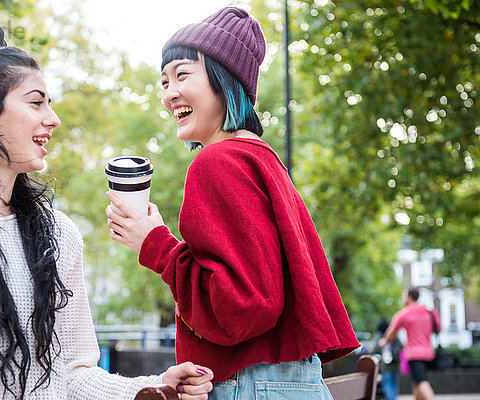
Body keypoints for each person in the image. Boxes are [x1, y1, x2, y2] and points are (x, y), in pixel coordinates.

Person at [0, 21, 214, 399]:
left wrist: (148, 389)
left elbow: (72, 371)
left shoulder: (58, 232)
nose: (53, 119)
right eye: (37, 102)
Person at [105, 7, 360, 399]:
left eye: (182, 74)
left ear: (225, 81)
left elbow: (244, 307)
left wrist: (154, 244)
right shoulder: (261, 158)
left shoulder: (217, 162)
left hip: (255, 385)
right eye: (164, 80)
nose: (169, 92)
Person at [380, 287, 440, 400]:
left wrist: (384, 342)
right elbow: (438, 329)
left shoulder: (404, 313)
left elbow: (390, 334)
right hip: (429, 353)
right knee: (417, 383)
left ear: (409, 297)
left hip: (414, 354)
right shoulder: (430, 312)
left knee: (422, 382)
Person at [374, 318, 402, 400]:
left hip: (386, 365)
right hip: (396, 363)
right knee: (394, 384)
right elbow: (401, 346)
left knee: (387, 384)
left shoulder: (379, 336)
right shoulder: (394, 335)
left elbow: (376, 348)